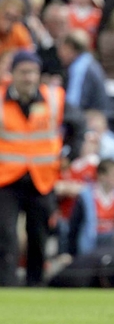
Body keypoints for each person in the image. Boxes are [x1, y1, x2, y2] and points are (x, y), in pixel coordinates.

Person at [0, 50, 85, 286]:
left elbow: (78, 126)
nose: (28, 78)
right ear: (12, 74)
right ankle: (6, 286)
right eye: (23, 72)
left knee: (39, 235)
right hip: (6, 179)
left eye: (33, 72)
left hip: (42, 179)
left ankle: (35, 285)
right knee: (5, 235)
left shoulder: (54, 98)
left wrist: (70, 155)